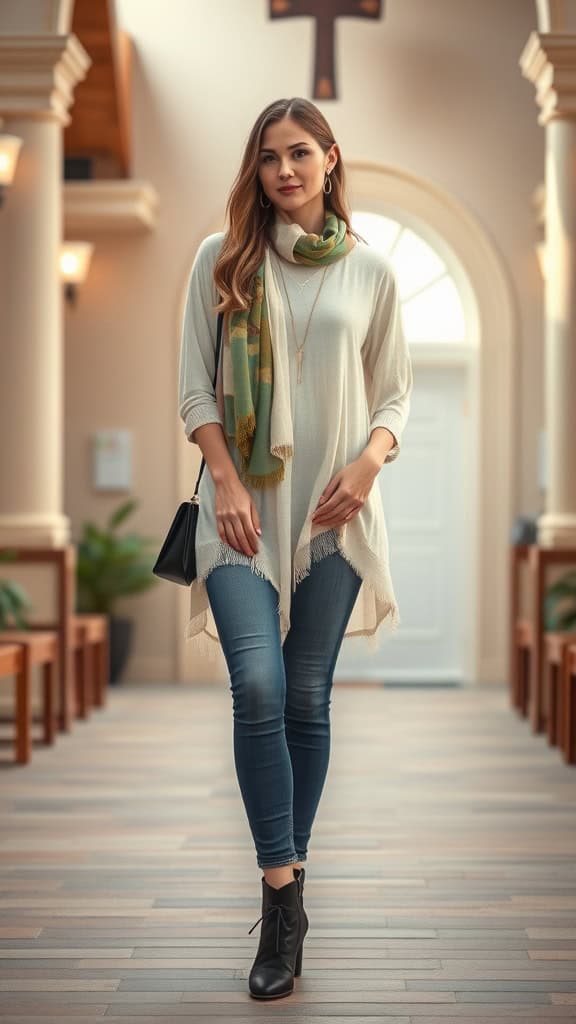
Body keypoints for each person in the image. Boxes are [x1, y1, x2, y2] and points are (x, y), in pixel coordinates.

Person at [178, 97, 413, 1000]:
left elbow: (394, 396)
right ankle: (283, 888)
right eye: (270, 156)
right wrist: (227, 481)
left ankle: (286, 894)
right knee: (261, 686)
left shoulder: (372, 272)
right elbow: (195, 392)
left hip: (333, 513)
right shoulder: (222, 261)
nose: (285, 170)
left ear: (330, 158)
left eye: (301, 153)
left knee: (307, 698)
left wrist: (367, 465)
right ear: (257, 168)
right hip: (237, 513)